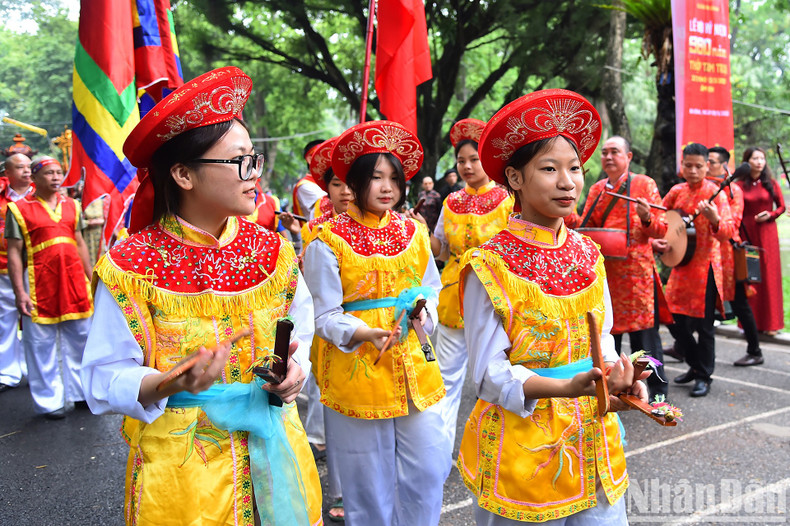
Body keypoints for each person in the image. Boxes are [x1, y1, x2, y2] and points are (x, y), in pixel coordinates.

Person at [79, 67, 322, 525]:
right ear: (184, 174)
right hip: (183, 474)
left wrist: (295, 371)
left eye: (255, 159)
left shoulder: (272, 250)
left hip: (274, 449)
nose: (254, 174)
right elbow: (104, 375)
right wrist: (170, 383)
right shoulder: (133, 264)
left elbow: (300, 329)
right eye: (239, 161)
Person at [457, 90, 648, 525]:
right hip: (523, 454)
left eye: (575, 168)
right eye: (549, 169)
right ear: (515, 178)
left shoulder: (588, 253)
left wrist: (621, 381)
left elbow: (603, 340)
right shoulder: (490, 265)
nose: (568, 182)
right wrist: (565, 389)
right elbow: (488, 375)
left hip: (594, 442)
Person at [303, 120, 448, 526]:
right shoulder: (326, 240)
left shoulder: (413, 232)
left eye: (394, 178)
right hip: (357, 371)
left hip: (414, 365)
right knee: (365, 479)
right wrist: (361, 331)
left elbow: (430, 289)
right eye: (375, 177)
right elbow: (325, 315)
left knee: (427, 466)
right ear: (353, 183)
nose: (387, 187)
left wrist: (424, 314)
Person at [429, 117, 513, 460]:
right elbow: (440, 250)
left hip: (496, 300)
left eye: (473, 160)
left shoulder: (508, 200)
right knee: (446, 383)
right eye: (461, 160)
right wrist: (419, 234)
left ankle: (490, 452)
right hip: (453, 297)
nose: (466, 166)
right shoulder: (450, 202)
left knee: (494, 380)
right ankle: (439, 453)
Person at [577, 136, 669, 401]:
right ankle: (615, 389)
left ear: (628, 157)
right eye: (604, 152)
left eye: (614, 152)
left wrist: (646, 216)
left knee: (645, 337)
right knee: (609, 335)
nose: (608, 157)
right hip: (608, 274)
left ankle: (658, 392)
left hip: (638, 274)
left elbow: (662, 228)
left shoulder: (644, 184)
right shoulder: (597, 189)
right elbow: (586, 226)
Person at [5, 156, 93, 418]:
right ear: (34, 177)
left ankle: (81, 394)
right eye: (49, 173)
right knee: (39, 344)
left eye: (59, 173)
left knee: (81, 339)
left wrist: (93, 279)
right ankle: (49, 402)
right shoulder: (19, 209)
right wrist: (19, 292)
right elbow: (13, 253)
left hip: (74, 281)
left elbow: (80, 244)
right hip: (38, 283)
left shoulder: (73, 206)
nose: (56, 177)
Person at [653, 143, 734, 398]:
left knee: (705, 326)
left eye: (699, 166)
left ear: (707, 166)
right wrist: (658, 237)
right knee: (673, 320)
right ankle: (696, 365)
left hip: (706, 268)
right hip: (681, 266)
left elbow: (729, 231)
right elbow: (660, 219)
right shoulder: (677, 191)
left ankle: (703, 376)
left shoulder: (716, 193)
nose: (693, 170)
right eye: (688, 165)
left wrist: (714, 220)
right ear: (682, 164)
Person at [299, 136, 348, 522]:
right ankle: (341, 490)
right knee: (328, 400)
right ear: (325, 187)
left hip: (377, 335)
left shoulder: (391, 228)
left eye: (351, 181)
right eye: (335, 183)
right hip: (327, 325)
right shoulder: (317, 229)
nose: (345, 191)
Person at [707, 148, 762, 365]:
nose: (706, 164)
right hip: (709, 254)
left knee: (739, 303)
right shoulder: (704, 187)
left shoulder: (733, 190)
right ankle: (684, 348)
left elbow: (734, 224)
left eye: (710, 161)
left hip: (729, 254)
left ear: (723, 165)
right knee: (703, 302)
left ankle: (755, 351)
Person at [734, 147, 785, 336]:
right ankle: (750, 325)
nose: (759, 162)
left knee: (769, 276)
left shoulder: (770, 183)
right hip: (747, 233)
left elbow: (781, 207)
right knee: (751, 277)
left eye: (762, 158)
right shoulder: (738, 185)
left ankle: (771, 324)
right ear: (746, 162)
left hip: (767, 233)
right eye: (755, 158)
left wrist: (770, 215)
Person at [0, 153, 32, 393]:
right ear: (7, 173)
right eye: (20, 167)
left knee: (36, 322)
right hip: (3, 266)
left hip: (36, 268)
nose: (27, 171)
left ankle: (35, 370)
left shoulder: (41, 196)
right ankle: (8, 373)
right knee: (6, 319)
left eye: (29, 167)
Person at [292, 139, 328, 220]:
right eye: (327, 154)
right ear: (310, 159)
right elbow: (329, 205)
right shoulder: (305, 186)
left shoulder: (328, 182)